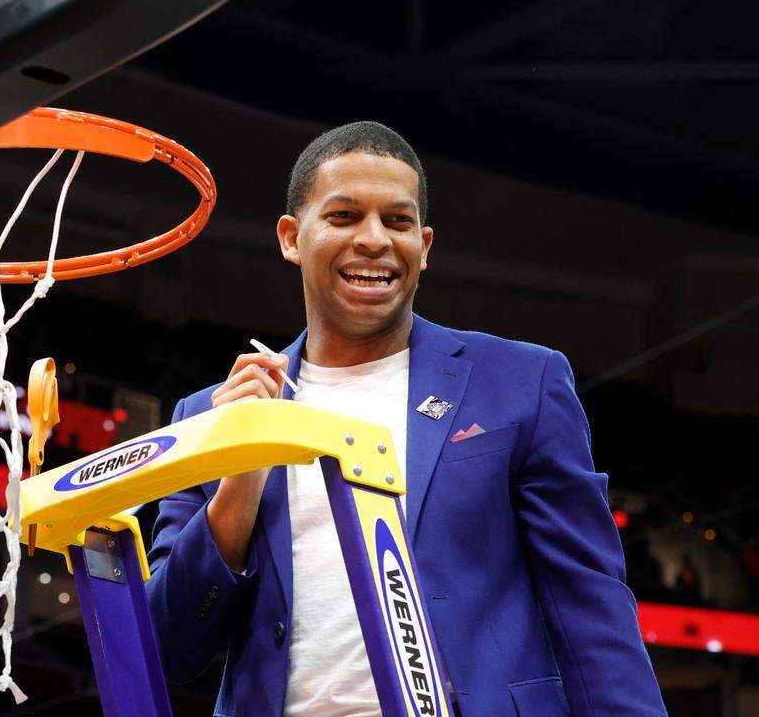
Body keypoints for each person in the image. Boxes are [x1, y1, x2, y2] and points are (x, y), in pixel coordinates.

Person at [146, 123, 666, 716]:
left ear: (425, 246)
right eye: (343, 217)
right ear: (291, 237)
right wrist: (237, 481)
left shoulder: (522, 382)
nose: (374, 240)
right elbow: (167, 650)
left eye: (397, 221)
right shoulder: (212, 414)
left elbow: (590, 606)